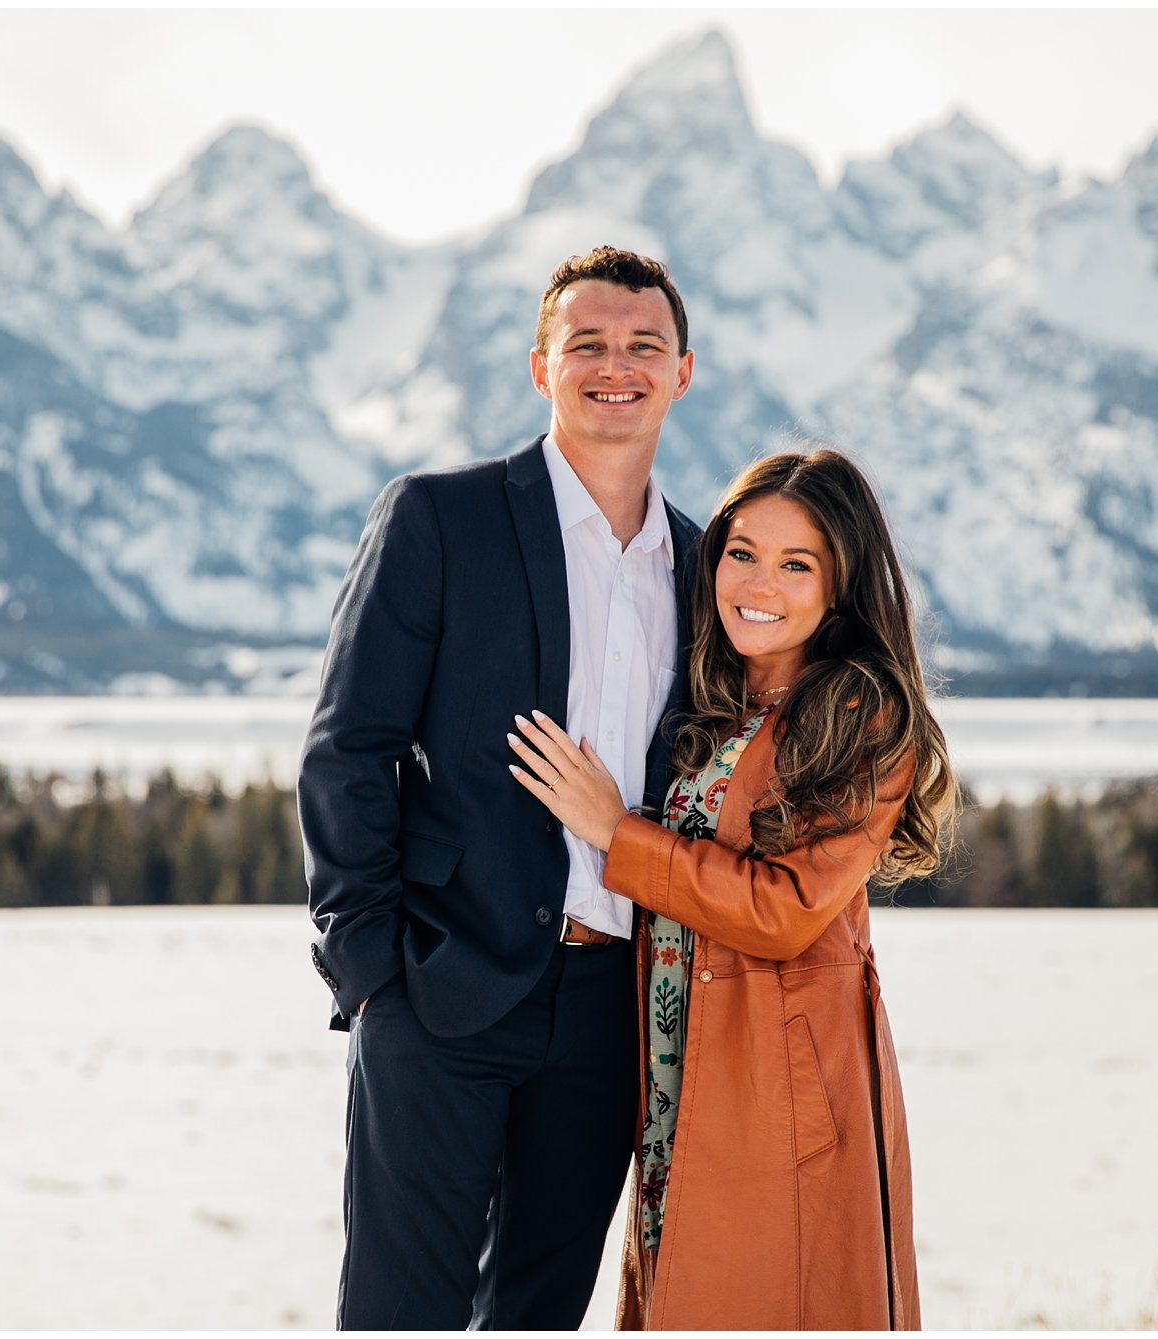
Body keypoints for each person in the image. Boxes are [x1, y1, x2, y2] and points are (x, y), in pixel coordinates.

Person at [299, 246, 702, 1329]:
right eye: (585, 344)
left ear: (681, 371)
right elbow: (348, 747)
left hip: (611, 1013)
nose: (612, 366)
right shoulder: (441, 520)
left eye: (640, 346)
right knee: (399, 1316)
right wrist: (370, 970)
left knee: (535, 1317)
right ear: (540, 366)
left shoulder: (711, 573)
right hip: (439, 991)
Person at [507, 447, 958, 1330]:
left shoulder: (863, 716)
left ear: (841, 586)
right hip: (684, 1063)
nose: (760, 581)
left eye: (798, 564)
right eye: (743, 551)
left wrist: (614, 831)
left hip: (778, 1081)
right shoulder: (712, 694)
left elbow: (783, 911)